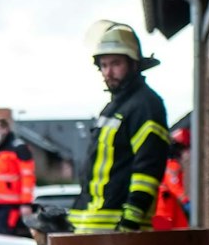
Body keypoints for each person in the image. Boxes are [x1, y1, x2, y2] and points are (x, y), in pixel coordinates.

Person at [68, 21, 171, 233]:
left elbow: (148, 166)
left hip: (118, 229)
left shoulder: (146, 105)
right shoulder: (112, 107)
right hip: (91, 224)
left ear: (134, 64)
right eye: (103, 65)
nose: (108, 72)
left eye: (115, 64)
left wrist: (131, 218)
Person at [0, 118, 37, 236]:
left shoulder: (18, 148)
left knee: (6, 238)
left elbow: (27, 177)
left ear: (5, 130)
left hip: (11, 207)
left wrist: (26, 204)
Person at [154, 126, 191, 231]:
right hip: (165, 208)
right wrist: (185, 201)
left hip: (168, 206)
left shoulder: (167, 164)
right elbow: (174, 185)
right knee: (164, 238)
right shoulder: (172, 166)